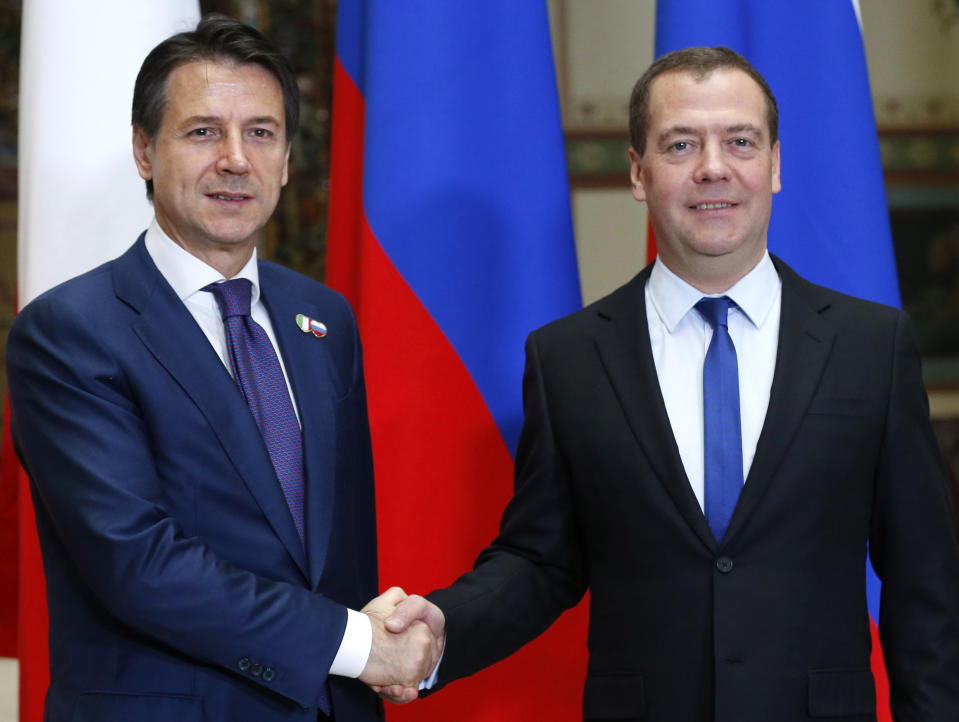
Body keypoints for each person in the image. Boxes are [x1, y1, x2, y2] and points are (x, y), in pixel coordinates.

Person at [382, 47, 959, 720]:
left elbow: (925, 583)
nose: (712, 167)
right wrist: (444, 627)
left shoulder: (871, 347)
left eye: (739, 142)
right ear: (638, 172)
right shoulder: (567, 358)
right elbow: (541, 559)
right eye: (680, 143)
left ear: (773, 165)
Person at [6, 15, 439, 722]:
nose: (236, 159)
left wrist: (373, 652)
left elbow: (340, 554)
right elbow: (136, 562)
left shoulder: (322, 319)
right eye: (203, 131)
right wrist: (358, 645)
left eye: (260, 133)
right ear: (145, 151)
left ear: (288, 160)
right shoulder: (69, 332)